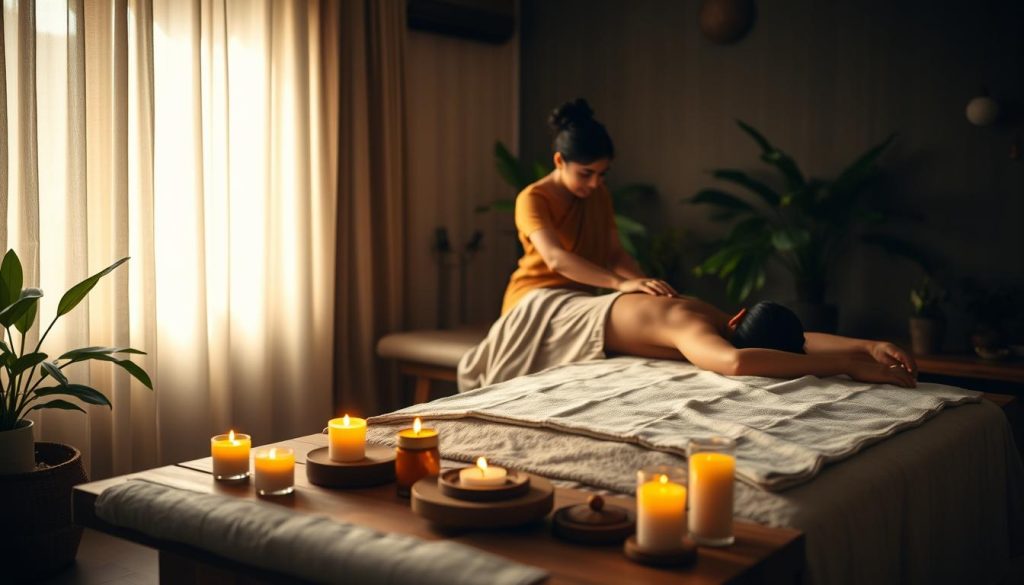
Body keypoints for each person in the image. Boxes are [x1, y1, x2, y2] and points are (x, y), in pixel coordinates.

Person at [488, 98, 918, 389]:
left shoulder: (711, 319)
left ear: (741, 317)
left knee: (647, 293)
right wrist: (849, 362)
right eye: (587, 174)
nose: (596, 184)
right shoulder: (534, 198)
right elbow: (556, 258)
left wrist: (866, 346)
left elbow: (793, 342)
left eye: (603, 175)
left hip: (590, 299)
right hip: (539, 301)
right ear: (560, 161)